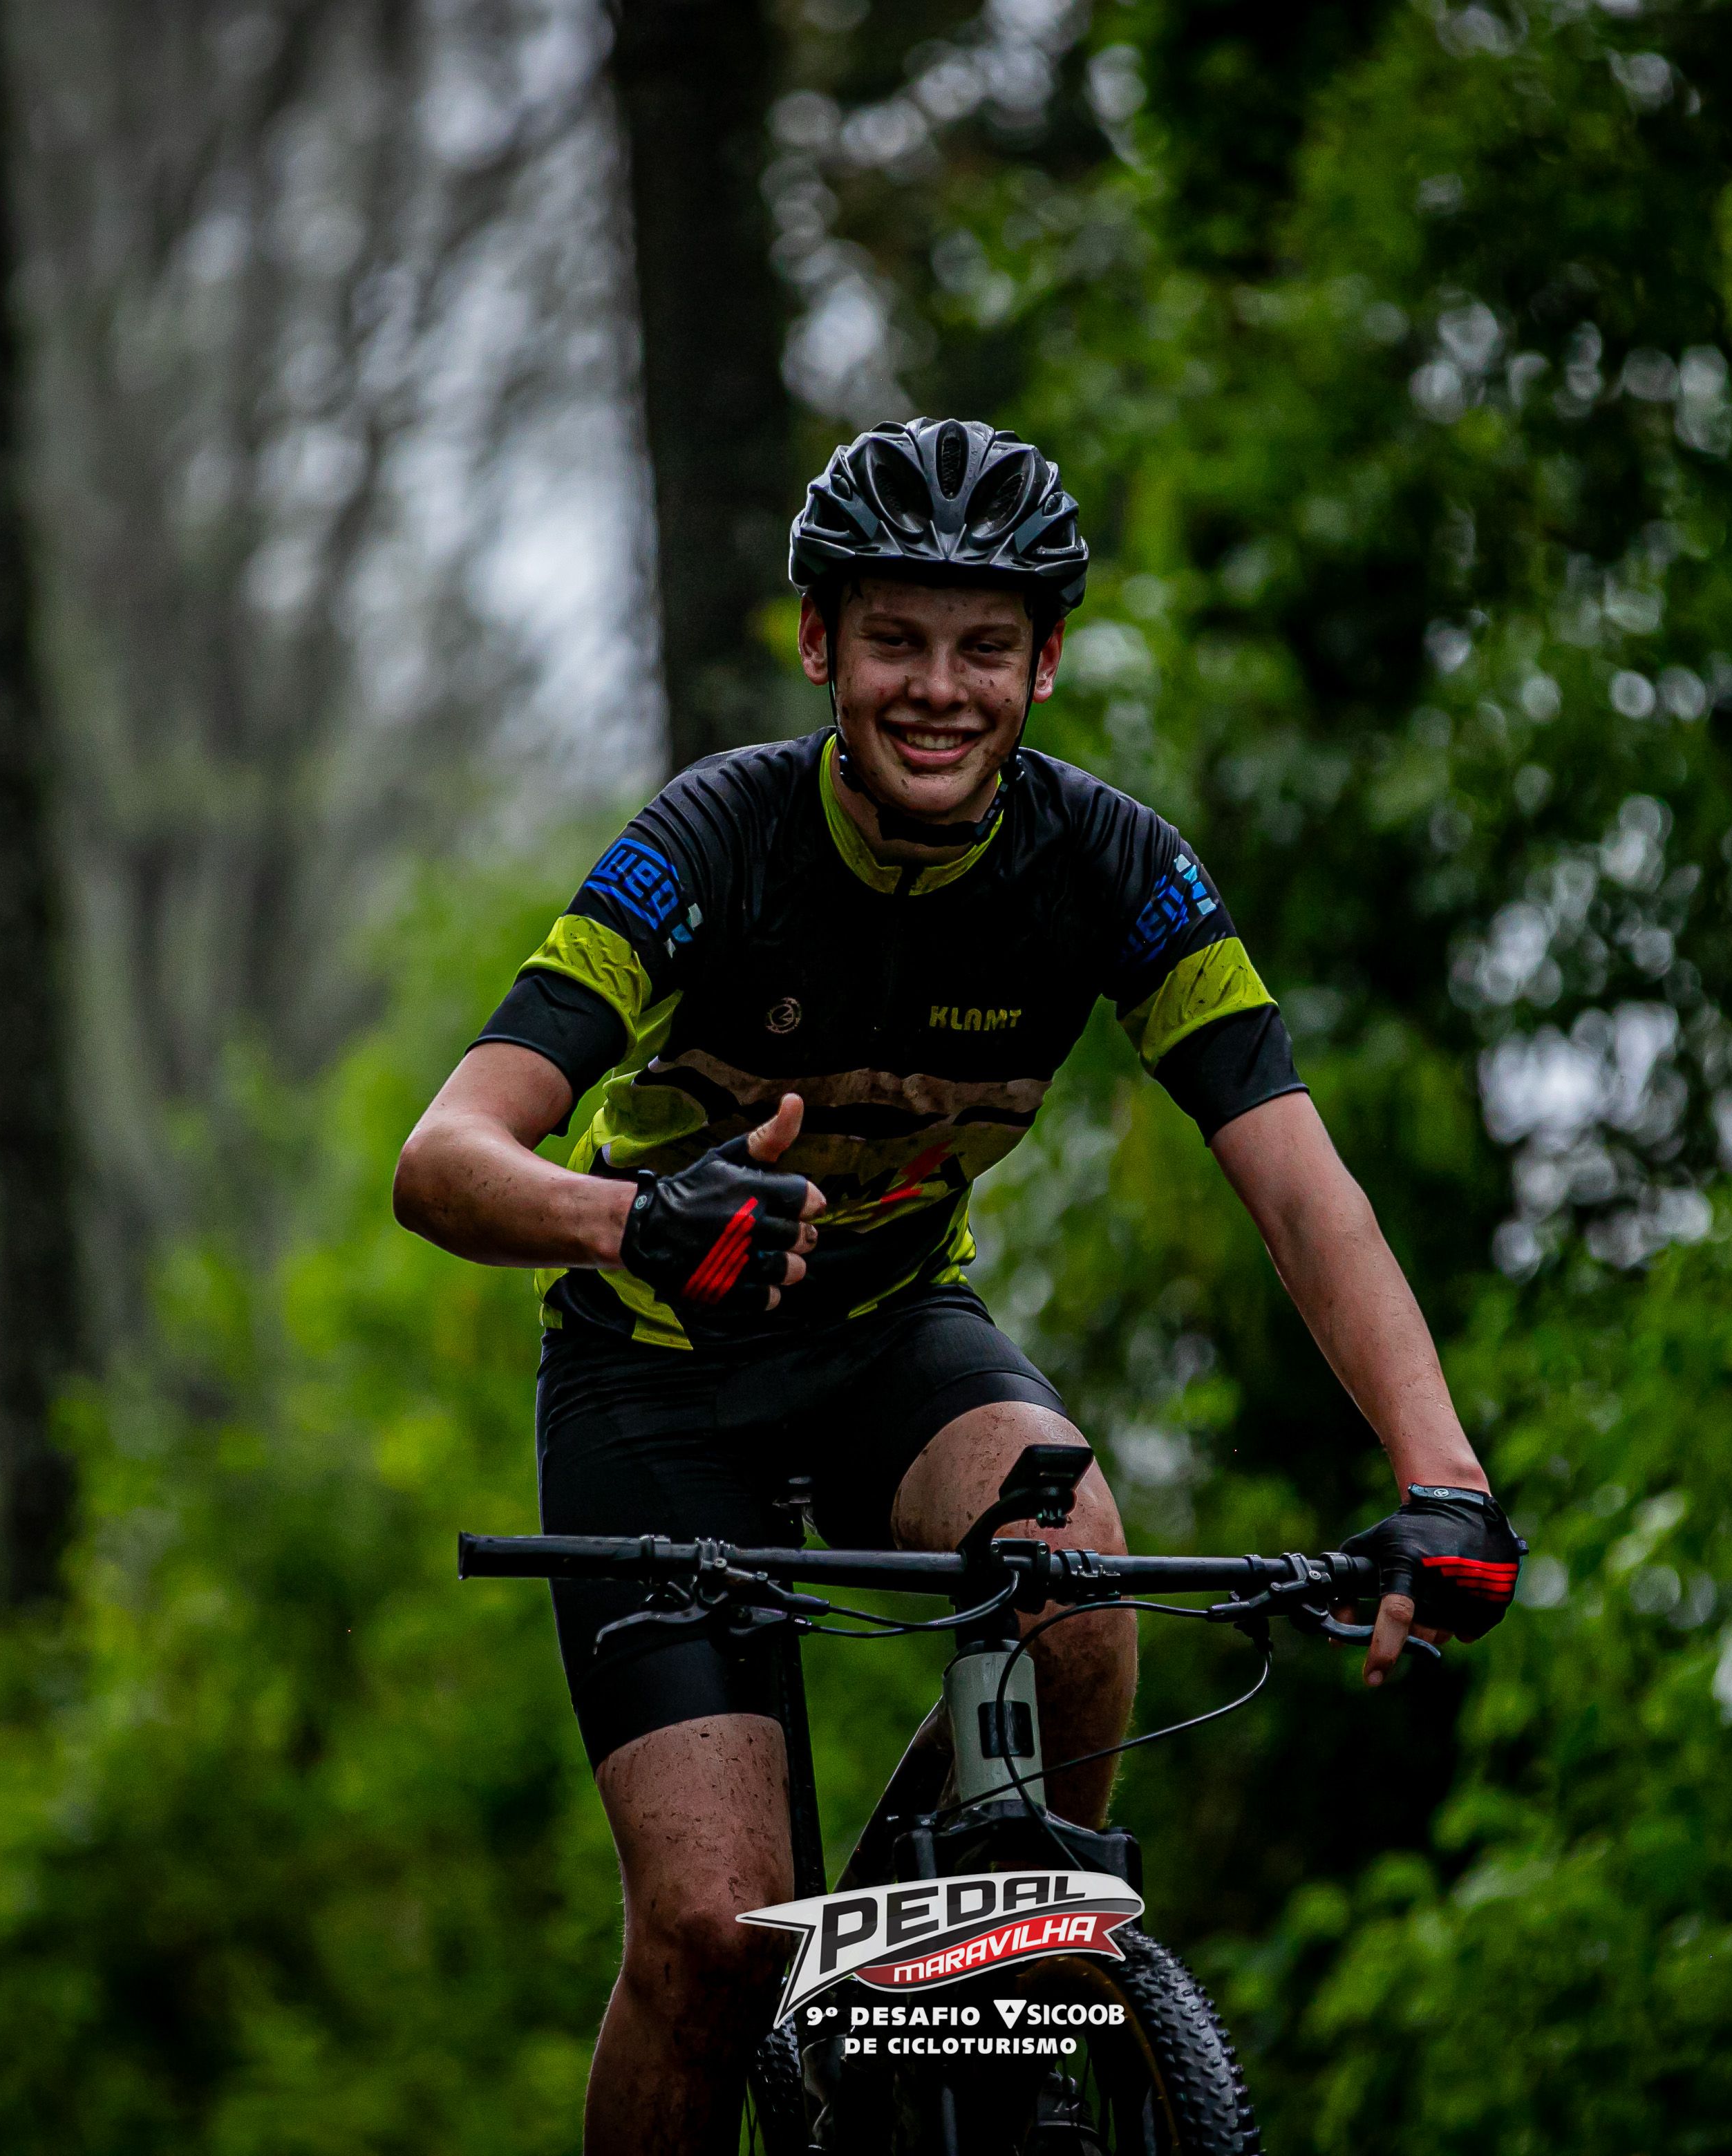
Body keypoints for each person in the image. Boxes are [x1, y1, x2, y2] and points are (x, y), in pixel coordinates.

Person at [392, 417, 1524, 2156]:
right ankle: (809, 1996)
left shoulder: (1117, 868)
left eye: (984, 647)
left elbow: (1303, 1188)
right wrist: (633, 1221)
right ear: (820, 645)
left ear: (1045, 663)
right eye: (897, 642)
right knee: (712, 1937)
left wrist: (1442, 1477)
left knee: (1080, 1583)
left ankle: (981, 1987)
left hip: (890, 1336)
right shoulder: (713, 841)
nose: (940, 690)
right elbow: (444, 1158)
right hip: (657, 1372)